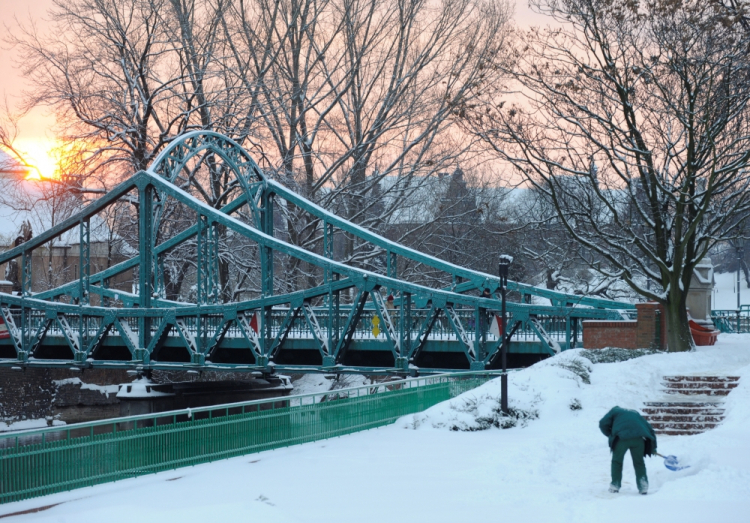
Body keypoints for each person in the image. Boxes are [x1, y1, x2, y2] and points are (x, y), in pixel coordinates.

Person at [599, 406, 657, 495]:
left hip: (621, 439)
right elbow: (650, 429)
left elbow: (602, 423)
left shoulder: (614, 411)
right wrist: (653, 447)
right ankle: (643, 486)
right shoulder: (635, 414)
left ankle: (615, 486)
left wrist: (610, 434)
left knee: (617, 462)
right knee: (639, 463)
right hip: (638, 439)